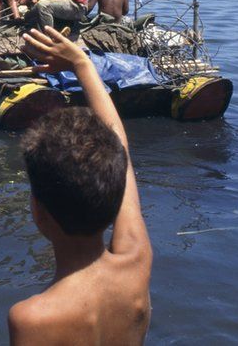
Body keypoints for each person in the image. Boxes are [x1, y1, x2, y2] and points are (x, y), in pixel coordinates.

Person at [9, 26, 152, 345]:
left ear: (38, 211)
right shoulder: (136, 261)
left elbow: (120, 150)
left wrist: (79, 64)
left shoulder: (32, 318)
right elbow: (120, 146)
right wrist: (82, 64)